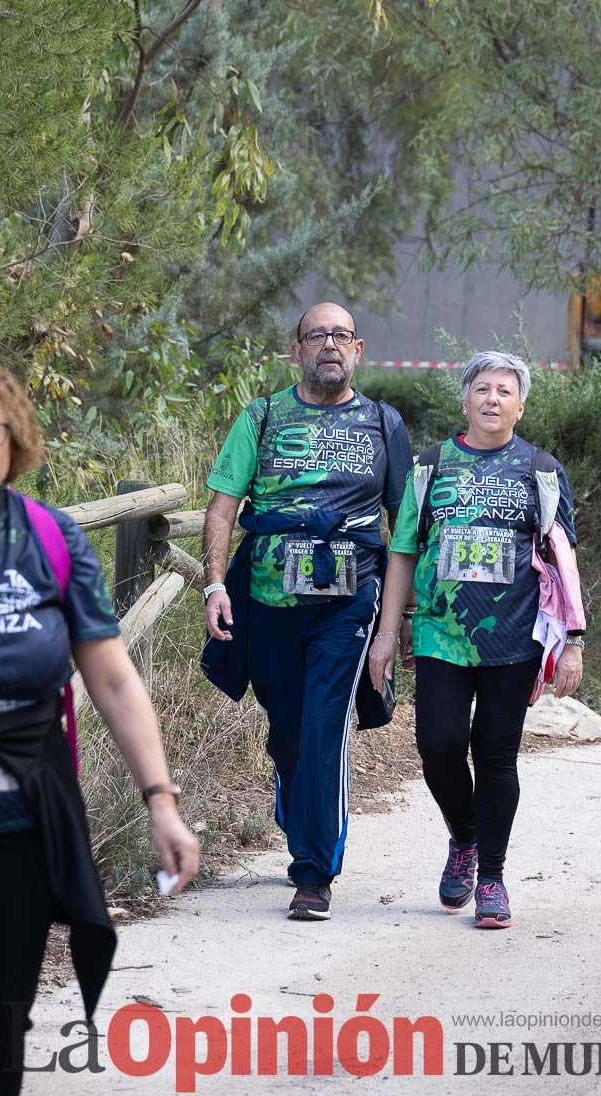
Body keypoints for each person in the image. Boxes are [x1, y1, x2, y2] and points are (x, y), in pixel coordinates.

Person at [0, 348, 199, 1094]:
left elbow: (111, 676)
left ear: (14, 437)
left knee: (2, 1026)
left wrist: (160, 802)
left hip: (26, 810)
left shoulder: (47, 539)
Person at [201, 303, 413, 921]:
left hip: (349, 602)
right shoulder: (262, 416)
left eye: (341, 335)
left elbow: (404, 529)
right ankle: (296, 809)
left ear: (359, 349)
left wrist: (398, 620)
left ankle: (314, 872)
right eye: (316, 335)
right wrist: (216, 586)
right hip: (268, 599)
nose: (329, 344)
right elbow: (221, 509)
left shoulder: (383, 423)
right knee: (290, 733)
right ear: (296, 351)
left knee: (325, 729)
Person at [369, 350, 585, 930]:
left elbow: (562, 559)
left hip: (515, 641)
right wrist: (387, 635)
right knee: (438, 745)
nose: (493, 399)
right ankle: (463, 836)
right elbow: (404, 552)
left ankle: (490, 875)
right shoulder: (432, 465)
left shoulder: (540, 469)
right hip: (441, 635)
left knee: (496, 756)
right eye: (482, 388)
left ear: (521, 404)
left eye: (505, 390)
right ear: (464, 400)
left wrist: (572, 640)